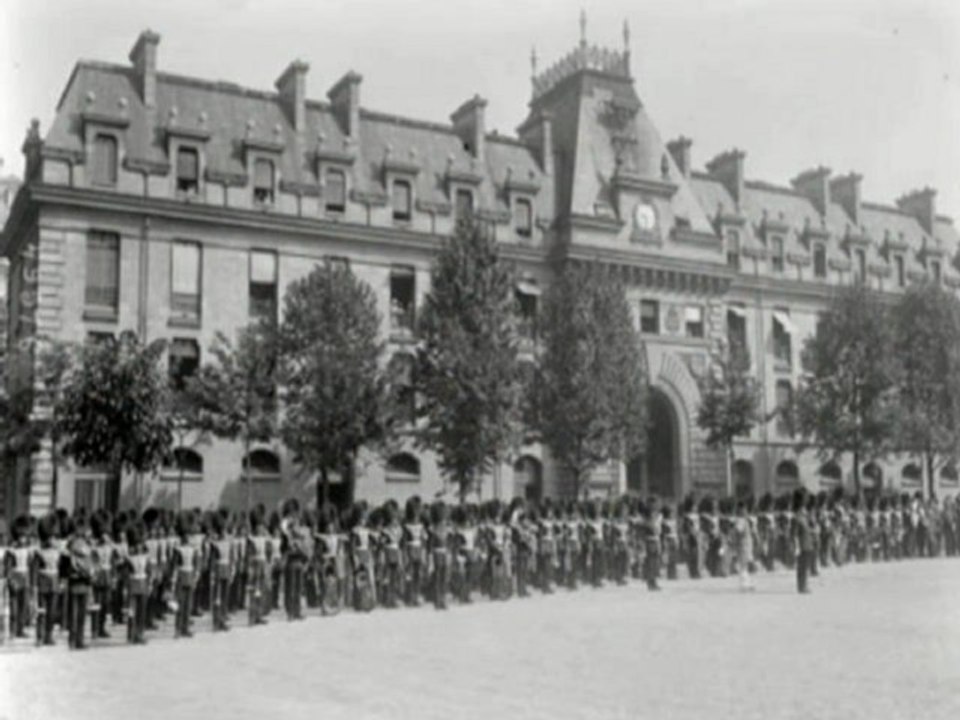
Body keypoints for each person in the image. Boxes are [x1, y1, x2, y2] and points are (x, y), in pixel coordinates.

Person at [791, 492, 814, 594]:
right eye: (803, 508)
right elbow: (794, 534)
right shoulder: (797, 518)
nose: (805, 510)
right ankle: (802, 586)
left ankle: (804, 585)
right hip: (802, 544)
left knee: (805, 566)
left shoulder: (804, 517)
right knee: (802, 566)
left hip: (807, 543)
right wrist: (796, 546)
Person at [733, 501, 755, 592]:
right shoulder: (740, 520)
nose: (746, 511)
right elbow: (738, 531)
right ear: (740, 510)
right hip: (743, 545)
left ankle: (747, 583)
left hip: (747, 545)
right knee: (743, 565)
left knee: (745, 565)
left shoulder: (744, 520)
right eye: (744, 510)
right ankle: (743, 585)